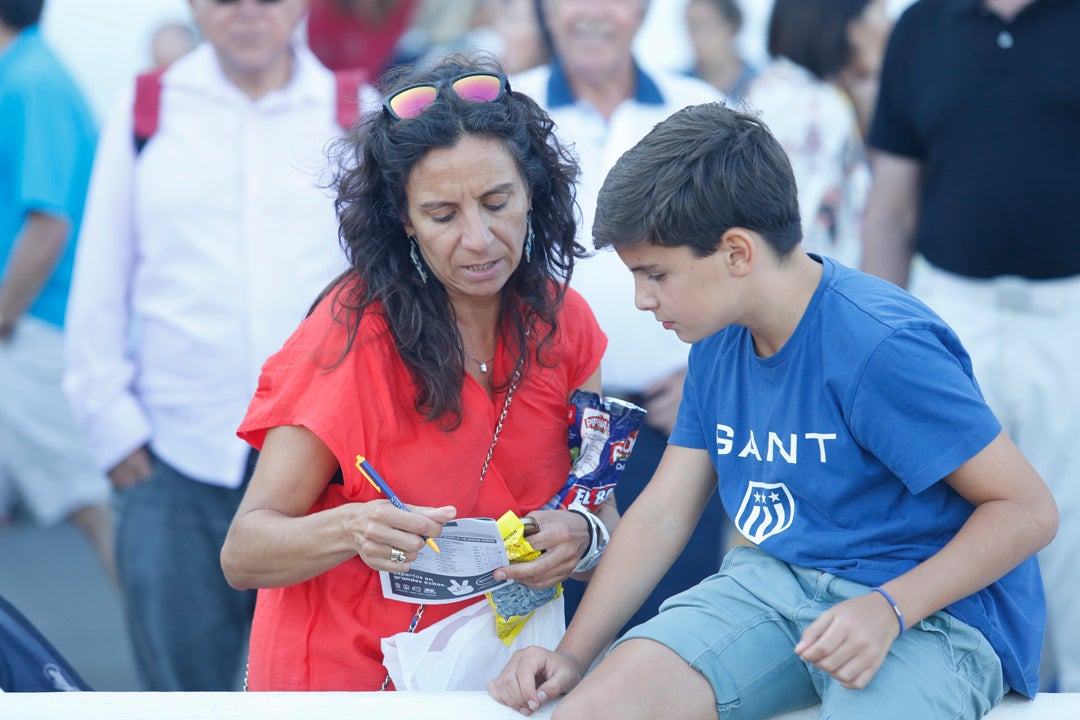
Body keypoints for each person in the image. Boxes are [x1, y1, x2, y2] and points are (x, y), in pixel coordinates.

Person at [489, 102, 1059, 719]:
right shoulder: (716, 336)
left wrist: (889, 607)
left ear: (737, 252)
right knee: (591, 713)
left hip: (927, 612)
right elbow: (660, 515)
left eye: (655, 274)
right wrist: (574, 655)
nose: (641, 299)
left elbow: (1027, 510)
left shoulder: (880, 346)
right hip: (776, 583)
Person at [218, 53, 616, 691]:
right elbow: (243, 552)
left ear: (533, 192)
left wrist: (585, 537)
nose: (480, 238)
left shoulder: (566, 326)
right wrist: (352, 526)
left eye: (496, 202)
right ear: (403, 219)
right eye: (442, 215)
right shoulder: (349, 338)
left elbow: (604, 524)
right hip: (350, 687)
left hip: (507, 685)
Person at [64, 0, 376, 692]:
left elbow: (388, 280)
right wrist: (113, 431)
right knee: (181, 694)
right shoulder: (149, 108)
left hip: (326, 457)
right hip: (173, 455)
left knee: (323, 688)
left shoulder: (355, 111)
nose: (245, 14)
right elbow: (102, 270)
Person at [861, 0, 1080, 694]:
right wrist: (868, 341)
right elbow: (892, 201)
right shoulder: (922, 26)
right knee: (951, 511)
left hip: (1069, 309)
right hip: (950, 307)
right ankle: (967, 684)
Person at [510, 0, 725, 633]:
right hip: (536, 427)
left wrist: (708, 378)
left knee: (671, 632)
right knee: (538, 640)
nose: (592, 12)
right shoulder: (506, 114)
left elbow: (755, 257)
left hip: (675, 430)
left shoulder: (702, 111)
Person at [0, 0, 114, 582]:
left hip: (33, 327)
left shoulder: (30, 80)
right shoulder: (29, 71)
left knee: (101, 512)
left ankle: (177, 666)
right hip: (29, 325)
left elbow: (48, 226)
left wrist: (3, 317)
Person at [743, 0, 890, 270]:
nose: (889, 25)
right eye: (881, 10)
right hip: (814, 300)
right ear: (848, 22)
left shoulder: (774, 88)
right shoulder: (818, 109)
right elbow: (800, 238)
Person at [685, 0, 756, 104]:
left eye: (705, 26)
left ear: (732, 27)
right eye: (691, 27)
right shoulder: (681, 84)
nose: (697, 37)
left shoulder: (762, 84)